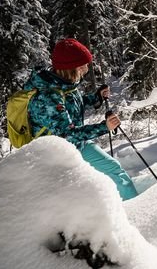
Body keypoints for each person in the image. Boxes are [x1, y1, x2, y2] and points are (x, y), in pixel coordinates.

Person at [25, 38, 138, 200]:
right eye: (83, 65)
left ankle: (133, 207)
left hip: (76, 144)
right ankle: (137, 210)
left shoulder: (64, 83)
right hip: (57, 153)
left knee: (113, 170)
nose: (86, 69)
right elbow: (67, 135)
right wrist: (104, 127)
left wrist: (96, 97)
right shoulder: (48, 95)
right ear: (70, 67)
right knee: (107, 175)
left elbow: (72, 105)